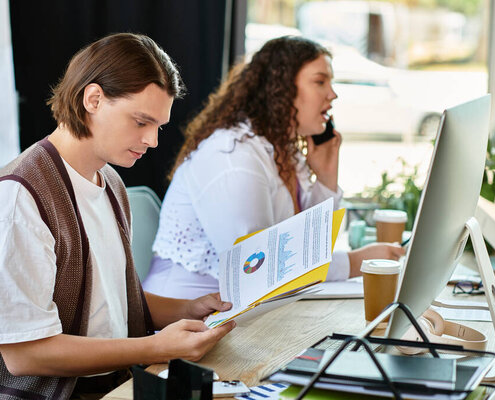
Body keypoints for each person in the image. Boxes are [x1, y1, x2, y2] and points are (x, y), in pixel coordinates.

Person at [0, 33, 235, 400]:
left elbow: (111, 305)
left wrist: (188, 309)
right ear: (93, 99)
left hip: (111, 383)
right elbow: (25, 354)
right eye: (140, 122)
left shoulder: (110, 181)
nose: (152, 140)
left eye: (159, 126)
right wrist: (157, 348)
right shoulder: (18, 200)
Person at [143, 36, 405, 299]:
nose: (332, 94)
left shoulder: (281, 149)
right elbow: (256, 268)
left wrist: (325, 177)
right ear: (281, 88)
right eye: (320, 81)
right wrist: (353, 262)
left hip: (252, 309)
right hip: (187, 321)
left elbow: (312, 248)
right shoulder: (234, 156)